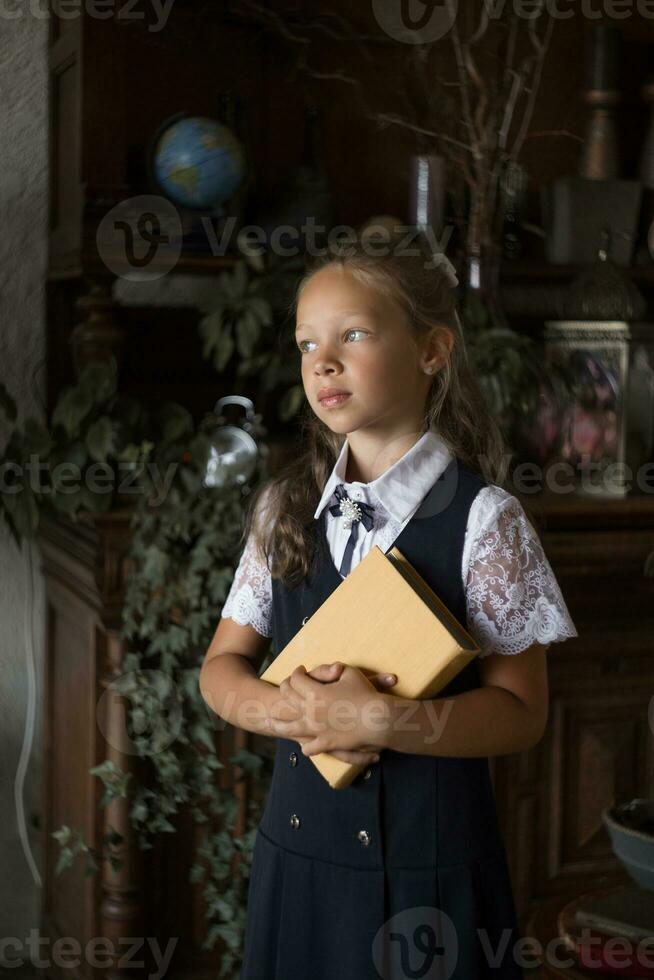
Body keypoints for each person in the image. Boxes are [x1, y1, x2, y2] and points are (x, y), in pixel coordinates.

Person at [199, 231, 578, 980]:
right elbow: (221, 670)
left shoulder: (485, 518)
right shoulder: (283, 506)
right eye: (308, 342)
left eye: (355, 334)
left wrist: (386, 721)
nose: (323, 361)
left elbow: (522, 711)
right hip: (298, 859)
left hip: (427, 882)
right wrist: (292, 713)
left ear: (432, 350)